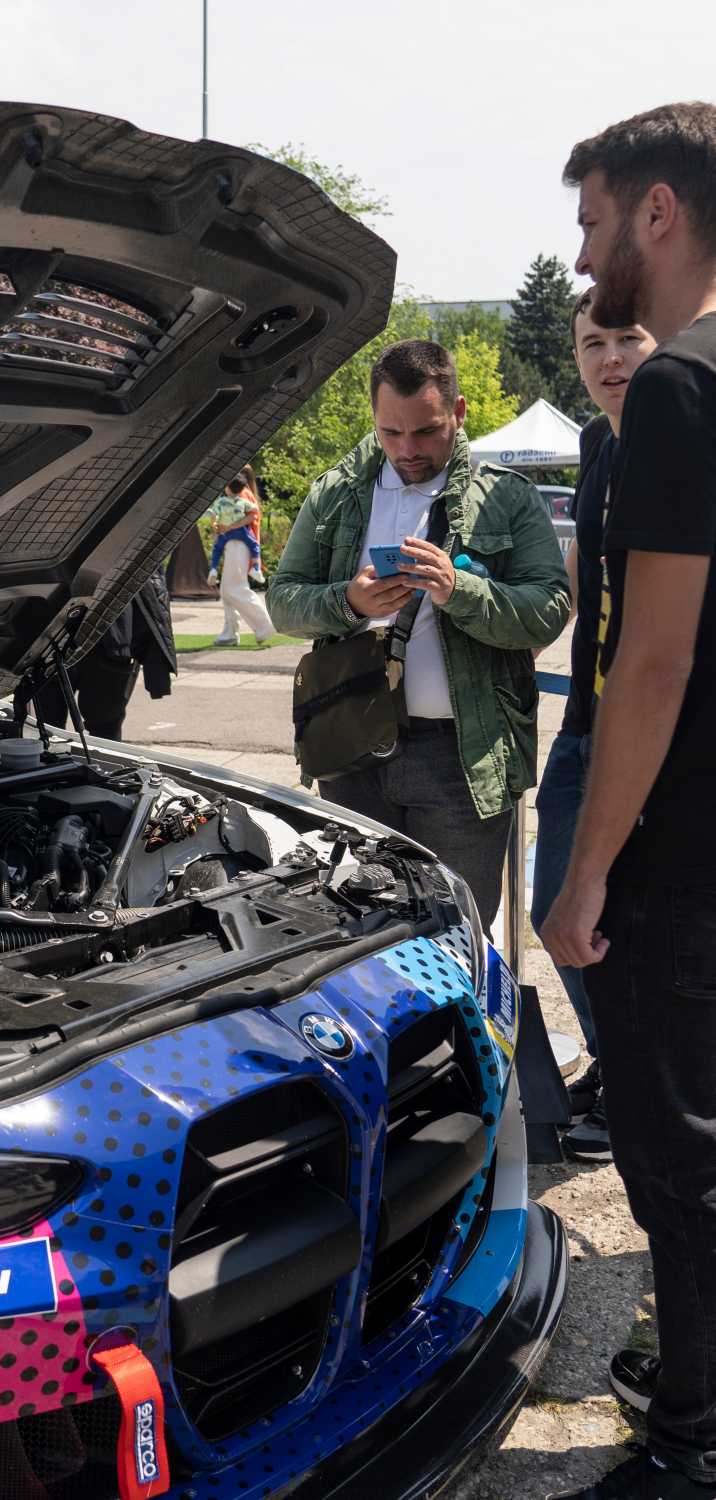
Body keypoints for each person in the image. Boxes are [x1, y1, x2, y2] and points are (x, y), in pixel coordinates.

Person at [542, 102, 716, 1500]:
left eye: (593, 219)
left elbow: (651, 663)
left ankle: (692, 1438)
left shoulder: (676, 389)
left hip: (684, 849)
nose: (584, 252)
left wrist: (586, 872)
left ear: (658, 212)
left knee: (677, 1163)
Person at [268, 339, 570, 930]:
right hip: (352, 749)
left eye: (426, 431)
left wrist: (459, 590)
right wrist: (348, 602)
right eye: (391, 432)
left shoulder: (506, 496)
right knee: (358, 934)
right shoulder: (335, 494)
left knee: (454, 935)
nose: (407, 449)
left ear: (458, 412)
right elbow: (283, 603)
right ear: (374, 418)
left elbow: (550, 610)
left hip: (462, 760)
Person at [529, 289, 655, 1163]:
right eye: (592, 343)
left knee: (640, 919)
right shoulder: (596, 442)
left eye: (627, 338)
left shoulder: (685, 438)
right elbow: (583, 575)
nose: (610, 359)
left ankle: (641, 1087)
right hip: (586, 722)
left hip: (658, 732)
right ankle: (618, 1066)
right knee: (555, 908)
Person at [35, 568, 176, 739]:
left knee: (103, 728)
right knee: (49, 730)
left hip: (108, 640)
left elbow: (151, 580)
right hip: (56, 635)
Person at [209, 467, 275, 647]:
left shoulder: (242, 495)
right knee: (227, 590)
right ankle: (230, 633)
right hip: (238, 545)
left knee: (234, 588)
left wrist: (227, 527)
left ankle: (265, 625)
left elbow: (250, 517)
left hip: (238, 545)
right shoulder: (246, 493)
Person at [207, 477, 266, 587]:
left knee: (217, 549)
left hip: (225, 532)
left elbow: (213, 513)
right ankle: (256, 568)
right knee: (254, 545)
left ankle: (213, 569)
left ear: (227, 488)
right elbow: (255, 511)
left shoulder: (221, 502)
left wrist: (214, 524)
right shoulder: (243, 502)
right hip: (240, 531)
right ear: (241, 490)